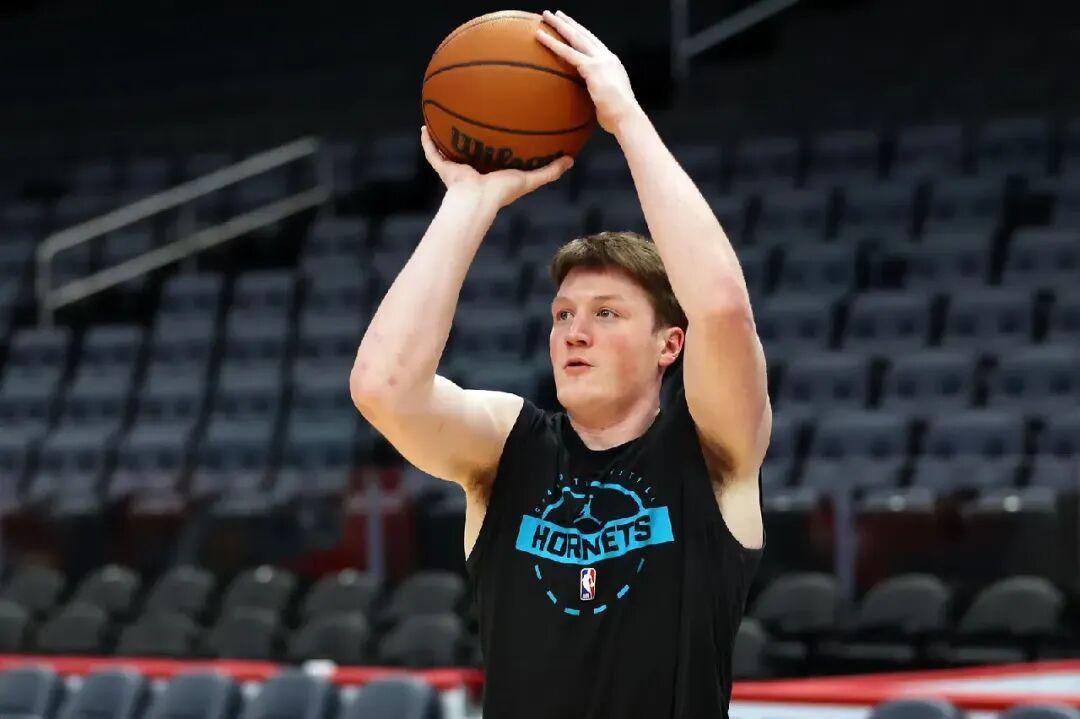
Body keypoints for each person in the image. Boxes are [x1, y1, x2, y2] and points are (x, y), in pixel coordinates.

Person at [350, 10, 770, 718]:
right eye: (563, 315)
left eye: (607, 314)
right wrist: (469, 201)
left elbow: (723, 308)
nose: (575, 332)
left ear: (670, 344)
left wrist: (626, 118)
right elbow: (382, 386)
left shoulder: (711, 450)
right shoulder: (507, 449)